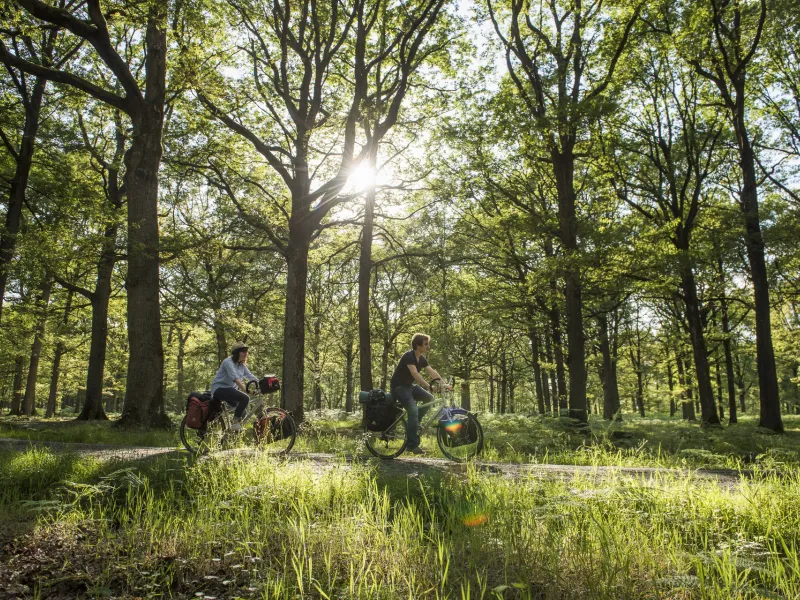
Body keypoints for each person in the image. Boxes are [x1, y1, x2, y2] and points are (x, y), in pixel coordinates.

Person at [389, 333, 447, 455]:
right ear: (417, 345)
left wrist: (443, 384)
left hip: (409, 387)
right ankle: (411, 445)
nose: (428, 347)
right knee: (413, 410)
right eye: (426, 344)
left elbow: (432, 372)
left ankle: (416, 423)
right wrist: (429, 386)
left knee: (429, 398)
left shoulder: (421, 358)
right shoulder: (408, 356)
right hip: (399, 388)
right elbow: (415, 374)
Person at [211, 342, 257, 431]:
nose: (245, 353)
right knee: (245, 398)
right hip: (219, 389)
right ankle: (235, 422)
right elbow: (235, 378)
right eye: (243, 351)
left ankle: (230, 434)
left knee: (242, 412)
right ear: (236, 353)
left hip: (229, 390)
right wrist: (246, 390)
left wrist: (262, 384)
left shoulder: (241, 365)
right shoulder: (228, 362)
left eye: (246, 351)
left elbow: (251, 376)